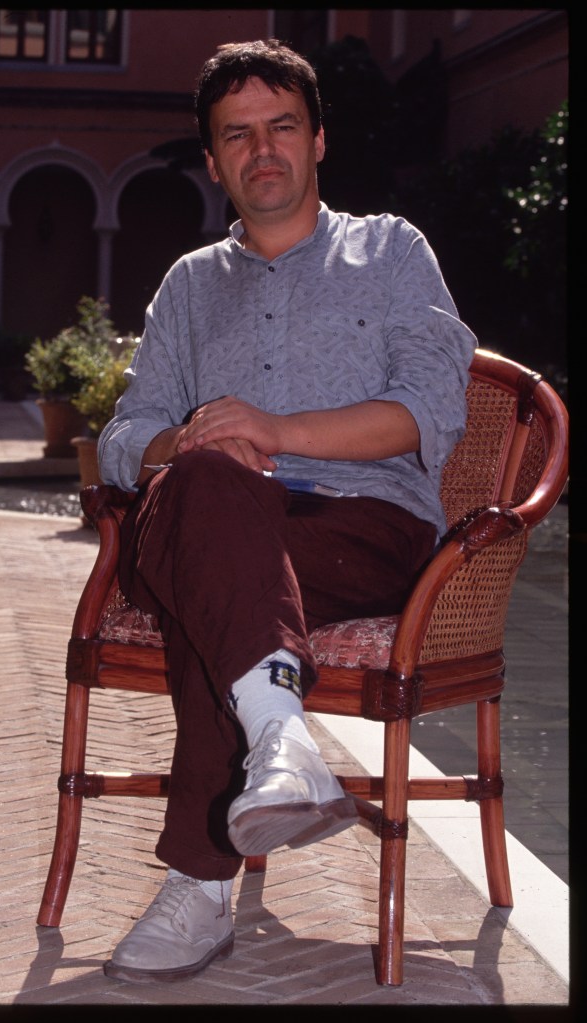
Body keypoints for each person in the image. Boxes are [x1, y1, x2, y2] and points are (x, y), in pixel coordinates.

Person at [97, 38, 476, 984]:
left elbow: (428, 410)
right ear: (215, 158)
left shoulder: (390, 250)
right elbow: (123, 432)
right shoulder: (187, 285)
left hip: (365, 528)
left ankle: (199, 883)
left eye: (280, 128)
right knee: (212, 494)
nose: (261, 150)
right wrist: (180, 443)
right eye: (237, 135)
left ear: (316, 142)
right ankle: (280, 738)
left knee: (212, 581)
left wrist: (272, 427)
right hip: (211, 516)